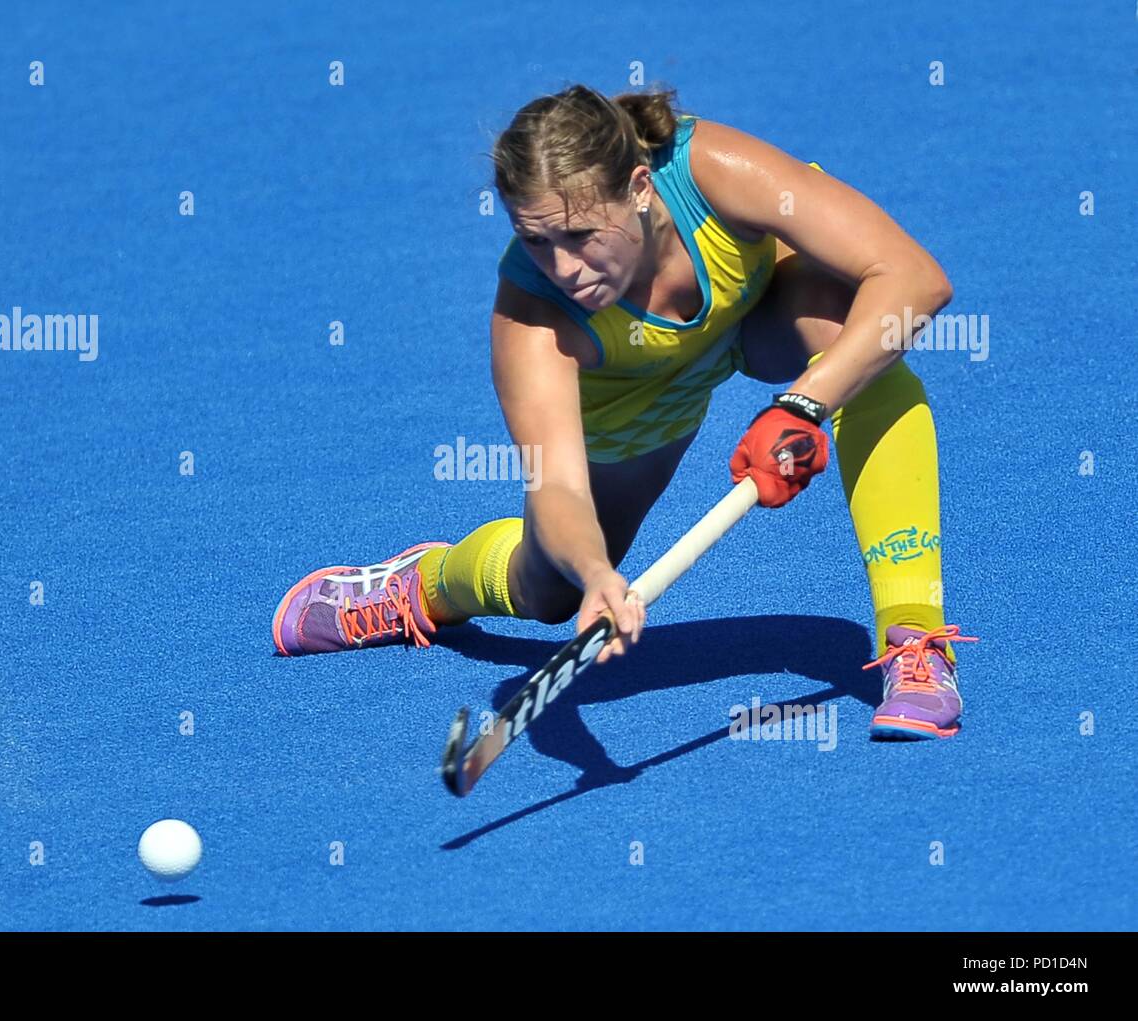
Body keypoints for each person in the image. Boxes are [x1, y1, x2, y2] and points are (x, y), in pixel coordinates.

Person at [273, 84, 976, 740]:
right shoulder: (531, 317)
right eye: (536, 241)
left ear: (640, 188)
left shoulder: (713, 169)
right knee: (549, 588)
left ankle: (914, 638)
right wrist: (597, 574)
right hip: (639, 402)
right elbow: (559, 488)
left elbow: (914, 277)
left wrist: (803, 403)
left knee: (860, 341)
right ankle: (426, 583)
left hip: (758, 314)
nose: (565, 268)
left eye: (580, 235)